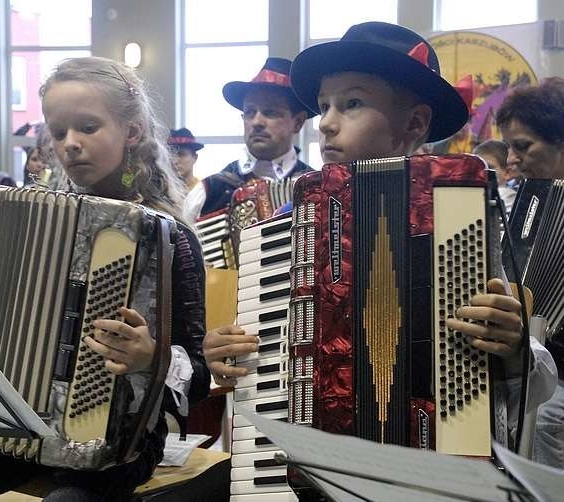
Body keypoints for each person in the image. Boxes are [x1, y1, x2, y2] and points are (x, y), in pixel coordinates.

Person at [0, 56, 210, 502]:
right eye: (58, 132)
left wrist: (151, 356)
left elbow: (201, 377)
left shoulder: (172, 237)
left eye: (88, 128)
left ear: (132, 132)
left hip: (119, 436)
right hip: (17, 419)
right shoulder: (29, 217)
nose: (70, 144)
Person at [205, 22, 558, 437]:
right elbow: (260, 350)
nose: (326, 123)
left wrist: (514, 349)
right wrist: (228, 352)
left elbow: (531, 391)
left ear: (414, 123)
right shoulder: (287, 223)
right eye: (324, 106)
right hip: (311, 456)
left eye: (351, 103)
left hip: (437, 456)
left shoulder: (463, 211)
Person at [496, 76, 564, 468]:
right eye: (508, 147)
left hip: (553, 386)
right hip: (522, 372)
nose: (510, 161)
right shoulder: (520, 204)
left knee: (539, 426)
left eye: (522, 147)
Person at [183, 57, 314, 222]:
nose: (257, 122)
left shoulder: (317, 188)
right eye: (250, 112)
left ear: (298, 122)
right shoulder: (209, 191)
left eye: (270, 112)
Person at [473, 139, 519, 213]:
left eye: (488, 167)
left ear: (507, 173)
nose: (480, 173)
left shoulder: (507, 196)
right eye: (476, 168)